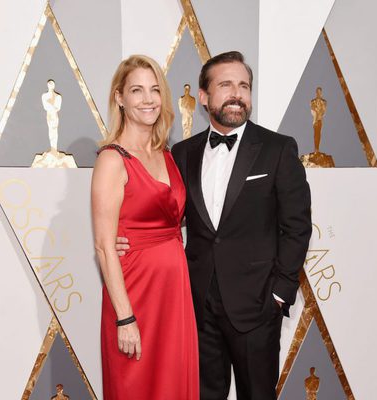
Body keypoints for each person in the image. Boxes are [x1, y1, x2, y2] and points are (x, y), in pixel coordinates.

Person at [117, 51, 312, 400]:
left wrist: (279, 293)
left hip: (257, 305)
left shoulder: (278, 149)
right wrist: (128, 240)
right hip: (195, 305)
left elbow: (297, 226)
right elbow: (165, 218)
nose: (237, 93)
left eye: (244, 86)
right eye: (226, 85)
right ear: (204, 97)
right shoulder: (182, 154)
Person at [92, 54, 199, 400]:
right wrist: (125, 318)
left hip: (173, 291)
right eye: (137, 90)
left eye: (155, 90)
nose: (148, 99)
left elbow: (170, 215)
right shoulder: (112, 159)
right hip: (136, 293)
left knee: (173, 383)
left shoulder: (165, 153)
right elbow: (105, 246)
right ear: (119, 98)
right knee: (136, 385)